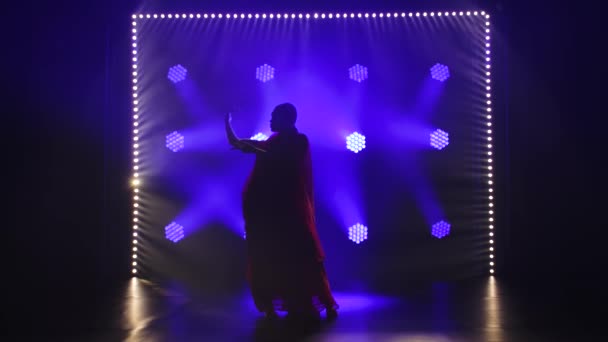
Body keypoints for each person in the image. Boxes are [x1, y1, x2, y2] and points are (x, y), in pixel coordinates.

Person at [225, 103, 338, 320]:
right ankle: (269, 304)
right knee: (269, 254)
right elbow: (238, 143)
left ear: (286, 119)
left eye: (274, 116)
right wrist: (227, 125)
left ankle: (324, 303)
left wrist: (256, 150)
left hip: (291, 211)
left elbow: (283, 159)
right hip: (272, 212)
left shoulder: (299, 141)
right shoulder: (271, 142)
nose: (270, 121)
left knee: (302, 254)